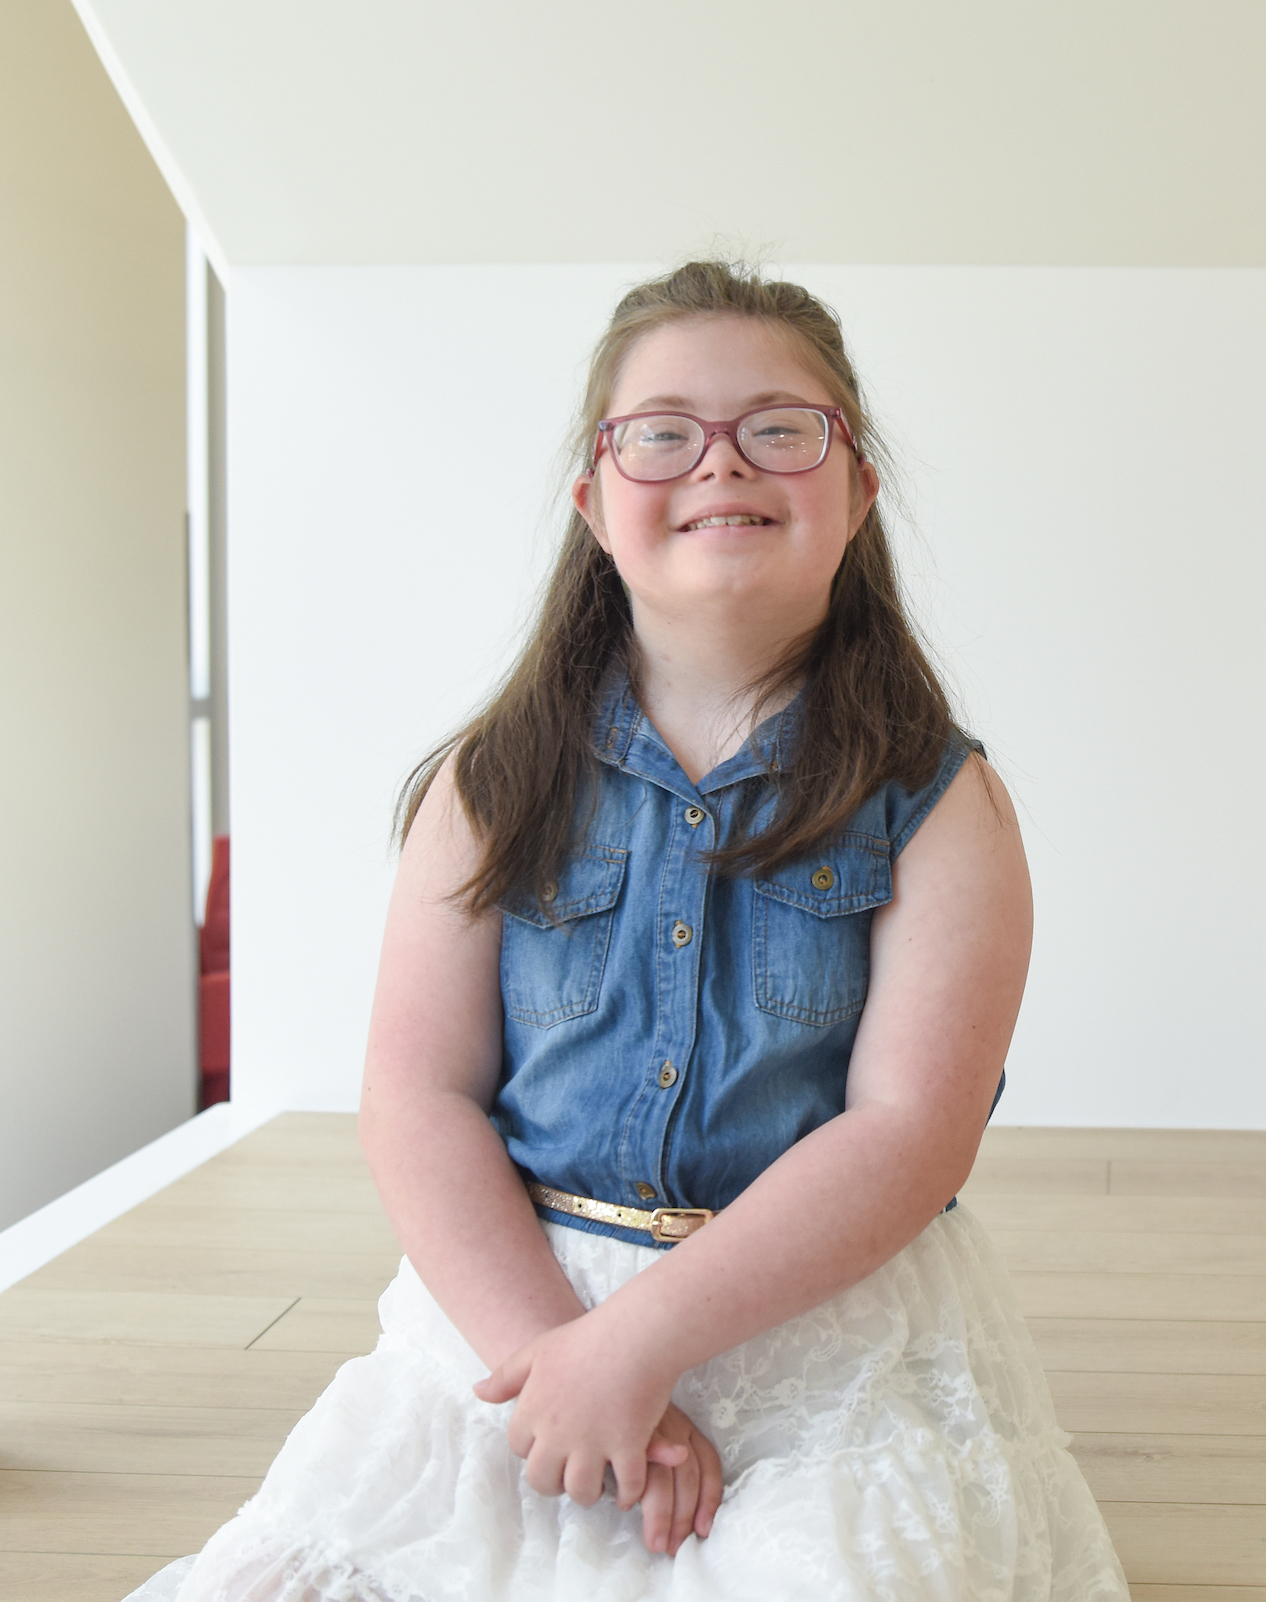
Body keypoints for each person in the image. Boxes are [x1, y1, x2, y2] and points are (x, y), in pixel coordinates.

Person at [128, 262, 1131, 1601]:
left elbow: (909, 1134)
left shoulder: (945, 804)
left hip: (816, 1328)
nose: (721, 461)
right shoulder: (489, 783)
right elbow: (418, 1092)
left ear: (858, 489)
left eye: (781, 426)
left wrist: (642, 1344)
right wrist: (565, 1358)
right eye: (662, 432)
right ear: (597, 500)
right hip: (514, 1308)